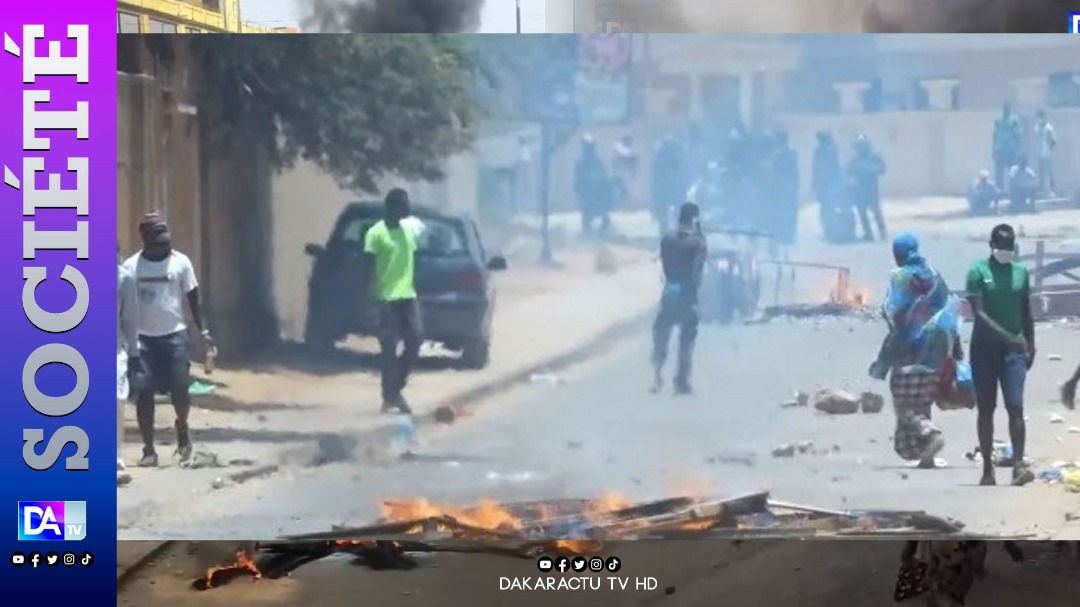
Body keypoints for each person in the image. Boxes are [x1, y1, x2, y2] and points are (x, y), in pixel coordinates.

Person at [124, 213, 211, 467]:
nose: (165, 244)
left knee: (181, 390)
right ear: (146, 240)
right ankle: (149, 450)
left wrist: (204, 332)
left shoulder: (180, 262)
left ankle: (182, 425)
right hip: (142, 340)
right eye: (158, 241)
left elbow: (194, 299)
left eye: (166, 239)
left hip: (174, 336)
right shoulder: (131, 267)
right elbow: (122, 304)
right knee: (144, 393)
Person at [872, 233, 960, 469]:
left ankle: (929, 432)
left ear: (898, 254)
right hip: (936, 354)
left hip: (909, 353)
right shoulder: (933, 273)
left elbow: (893, 310)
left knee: (904, 407)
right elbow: (949, 308)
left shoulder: (900, 276)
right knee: (923, 405)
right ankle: (926, 457)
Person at [965, 223, 1036, 486]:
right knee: (986, 408)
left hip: (1013, 352)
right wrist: (1007, 336)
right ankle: (987, 467)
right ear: (991, 246)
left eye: (1008, 247)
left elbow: (1026, 311)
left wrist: (1031, 343)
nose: (1004, 250)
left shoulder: (1021, 273)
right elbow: (979, 313)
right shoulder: (978, 272)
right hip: (983, 350)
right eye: (1000, 246)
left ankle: (1018, 466)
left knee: (1015, 406)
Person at [364, 188, 422, 414]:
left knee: (415, 342)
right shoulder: (376, 234)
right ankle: (389, 396)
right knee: (388, 349)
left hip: (408, 296)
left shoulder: (409, 231)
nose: (407, 209)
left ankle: (394, 390)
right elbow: (367, 268)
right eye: (403, 205)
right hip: (385, 298)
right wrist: (369, 299)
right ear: (391, 207)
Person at [651, 202, 707, 395]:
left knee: (661, 334)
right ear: (694, 219)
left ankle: (657, 374)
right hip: (688, 296)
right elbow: (697, 271)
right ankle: (681, 381)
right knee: (686, 339)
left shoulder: (667, 239)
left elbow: (665, 265)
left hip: (669, 291)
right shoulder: (698, 243)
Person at [117, 243, 138, 486]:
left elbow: (130, 320)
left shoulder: (124, 279)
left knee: (117, 402)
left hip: (115, 351)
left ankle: (115, 460)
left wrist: (134, 353)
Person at [812, 131, 852, 244]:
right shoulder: (830, 148)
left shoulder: (823, 150)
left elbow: (818, 168)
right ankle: (831, 231)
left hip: (827, 184)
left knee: (827, 209)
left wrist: (815, 183)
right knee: (830, 208)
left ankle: (830, 231)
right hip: (829, 184)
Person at [846, 134, 887, 242]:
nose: (860, 147)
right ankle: (868, 234)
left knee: (876, 212)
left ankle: (882, 233)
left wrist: (869, 170)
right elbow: (848, 169)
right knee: (862, 212)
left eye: (862, 145)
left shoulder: (874, 156)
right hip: (860, 190)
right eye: (858, 145)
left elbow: (882, 169)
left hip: (872, 189)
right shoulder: (855, 158)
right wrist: (856, 170)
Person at [573, 134, 614, 237]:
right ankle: (589, 232)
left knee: (601, 214)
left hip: (597, 194)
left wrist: (605, 190)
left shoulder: (596, 162)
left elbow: (604, 178)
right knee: (588, 215)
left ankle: (603, 232)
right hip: (588, 194)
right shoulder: (581, 163)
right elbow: (578, 181)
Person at [650, 134, 684, 237]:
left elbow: (655, 176)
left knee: (667, 211)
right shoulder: (668, 156)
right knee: (667, 211)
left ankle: (669, 231)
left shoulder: (661, 157)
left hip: (667, 187)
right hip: (668, 187)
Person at [771, 131, 799, 245]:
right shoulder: (792, 154)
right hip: (789, 187)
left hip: (780, 188)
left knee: (780, 212)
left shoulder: (775, 155)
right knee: (789, 212)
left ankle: (782, 235)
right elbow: (795, 173)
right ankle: (789, 235)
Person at [991, 102, 1022, 190]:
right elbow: (994, 134)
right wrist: (993, 149)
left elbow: (1018, 134)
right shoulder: (998, 119)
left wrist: (1017, 148)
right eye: (1004, 107)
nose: (1006, 109)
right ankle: (999, 193)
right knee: (999, 173)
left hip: (1011, 149)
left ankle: (1013, 192)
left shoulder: (1014, 119)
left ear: (1009, 108)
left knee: (1012, 173)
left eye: (1007, 107)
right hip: (1000, 149)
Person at [1033, 109, 1057, 197]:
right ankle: (1040, 190)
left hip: (1047, 154)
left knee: (1050, 173)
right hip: (1039, 154)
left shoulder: (1049, 128)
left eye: (1040, 117)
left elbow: (1053, 141)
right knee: (1040, 173)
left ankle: (1052, 191)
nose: (1039, 119)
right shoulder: (1036, 127)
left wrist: (1050, 150)